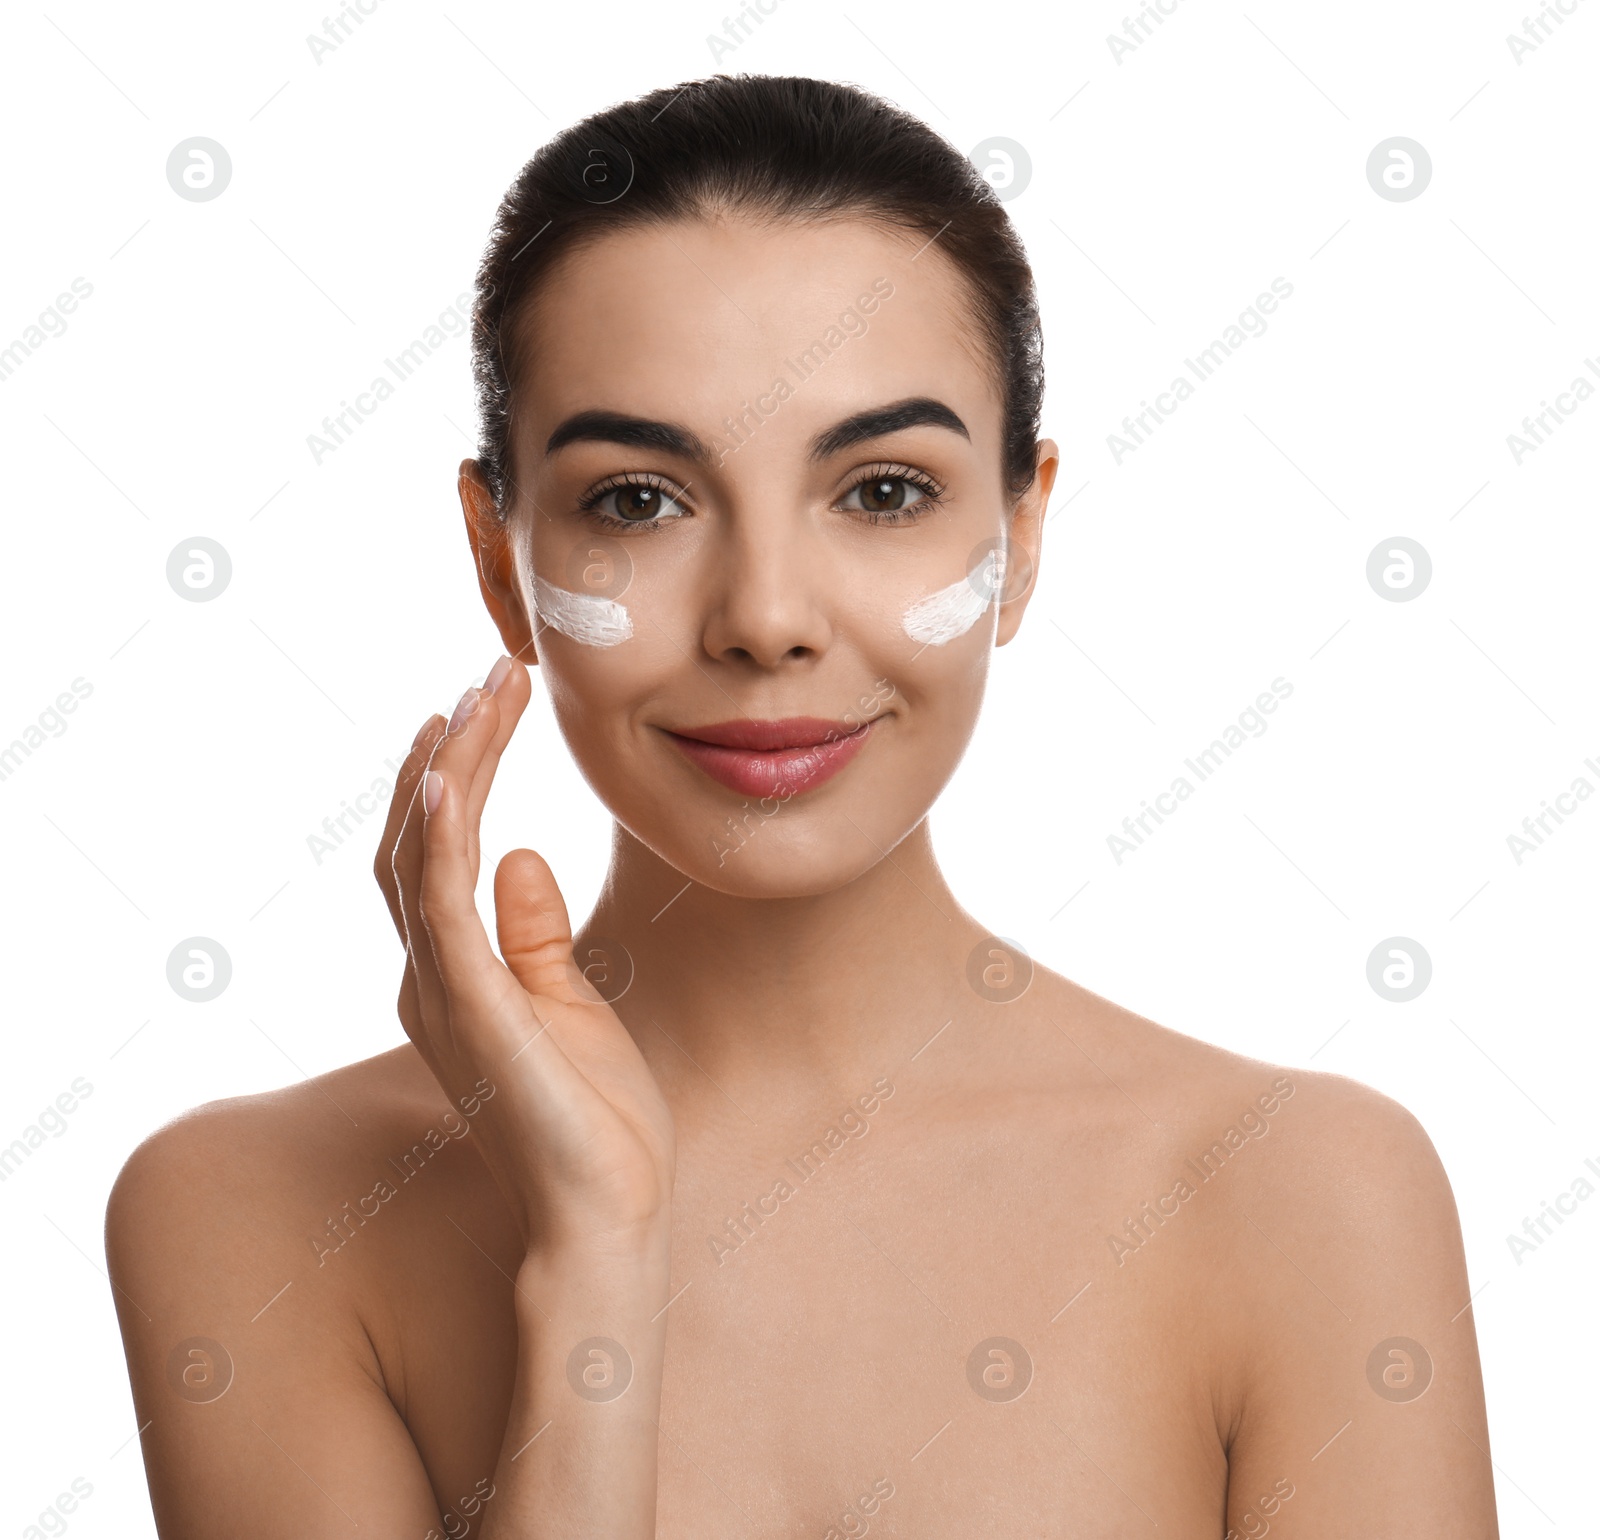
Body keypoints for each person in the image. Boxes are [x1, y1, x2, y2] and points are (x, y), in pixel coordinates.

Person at [106, 73, 1498, 1538]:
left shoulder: (1303, 1197)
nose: (764, 618)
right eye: (639, 499)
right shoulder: (250, 1214)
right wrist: (595, 1252)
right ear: (496, 558)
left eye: (885, 491)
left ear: (1022, 536)